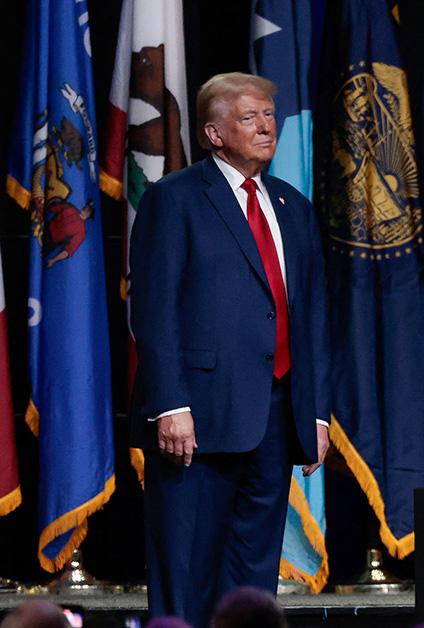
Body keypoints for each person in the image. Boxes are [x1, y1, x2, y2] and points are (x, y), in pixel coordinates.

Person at [129, 72, 330, 627]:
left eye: (269, 115)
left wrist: (312, 410)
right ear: (214, 132)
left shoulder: (292, 205)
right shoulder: (175, 199)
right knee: (187, 567)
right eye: (250, 118)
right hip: (198, 414)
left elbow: (308, 315)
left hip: (275, 413)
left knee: (253, 576)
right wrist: (169, 404)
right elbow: (154, 308)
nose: (266, 127)